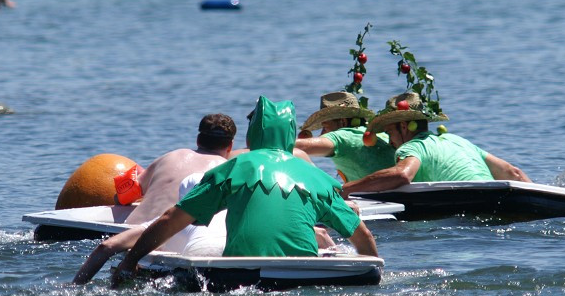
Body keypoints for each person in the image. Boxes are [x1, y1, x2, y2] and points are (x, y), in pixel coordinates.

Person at [113, 96, 378, 284]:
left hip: (237, 276)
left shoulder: (231, 169)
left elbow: (172, 220)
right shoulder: (318, 178)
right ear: (290, 136)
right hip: (306, 274)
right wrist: (373, 268)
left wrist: (129, 261)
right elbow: (362, 235)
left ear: (251, 135)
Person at [73, 113, 236, 284]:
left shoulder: (170, 157)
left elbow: (122, 198)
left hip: (127, 234)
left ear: (198, 140)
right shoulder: (225, 169)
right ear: (230, 145)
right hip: (169, 238)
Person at [340, 92, 532, 198]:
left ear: (404, 126)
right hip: (501, 198)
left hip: (471, 207)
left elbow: (401, 175)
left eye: (390, 133)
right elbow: (513, 173)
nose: (390, 142)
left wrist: (347, 189)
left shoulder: (412, 147)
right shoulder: (458, 141)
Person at [295, 91, 396, 182]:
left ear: (343, 122)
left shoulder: (344, 136)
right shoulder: (379, 134)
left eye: (325, 127)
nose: (322, 134)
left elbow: (297, 146)